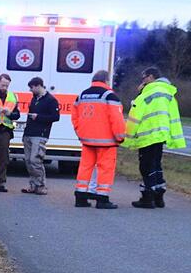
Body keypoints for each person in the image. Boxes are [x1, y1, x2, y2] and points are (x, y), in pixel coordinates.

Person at [124, 67, 186, 208]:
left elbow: (135, 117)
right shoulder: (168, 93)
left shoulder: (146, 94)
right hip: (161, 135)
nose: (142, 80)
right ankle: (159, 196)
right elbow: (173, 115)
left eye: (144, 77)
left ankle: (148, 197)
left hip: (147, 136)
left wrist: (127, 137)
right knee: (156, 165)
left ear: (151, 77)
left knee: (146, 167)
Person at [71, 70, 126, 209]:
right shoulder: (110, 96)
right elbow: (117, 119)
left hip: (87, 140)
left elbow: (74, 117)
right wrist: (120, 137)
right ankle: (102, 199)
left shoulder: (82, 95)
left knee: (85, 167)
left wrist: (80, 132)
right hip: (106, 141)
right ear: (106, 81)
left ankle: (80, 197)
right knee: (105, 169)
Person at [20, 76, 60, 195]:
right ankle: (33, 185)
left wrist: (39, 117)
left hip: (40, 134)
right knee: (28, 160)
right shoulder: (34, 99)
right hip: (29, 133)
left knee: (35, 160)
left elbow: (55, 117)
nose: (30, 90)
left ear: (38, 86)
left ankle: (41, 185)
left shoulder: (51, 100)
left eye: (32, 88)